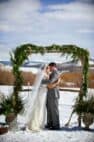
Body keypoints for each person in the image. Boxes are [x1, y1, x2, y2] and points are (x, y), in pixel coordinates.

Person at [42, 62, 60, 130]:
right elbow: (49, 82)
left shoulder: (56, 73)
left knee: (54, 110)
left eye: (50, 67)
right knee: (49, 110)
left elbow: (51, 81)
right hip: (49, 94)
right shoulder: (51, 73)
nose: (49, 68)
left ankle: (56, 125)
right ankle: (49, 124)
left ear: (53, 66)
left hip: (54, 94)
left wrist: (42, 81)